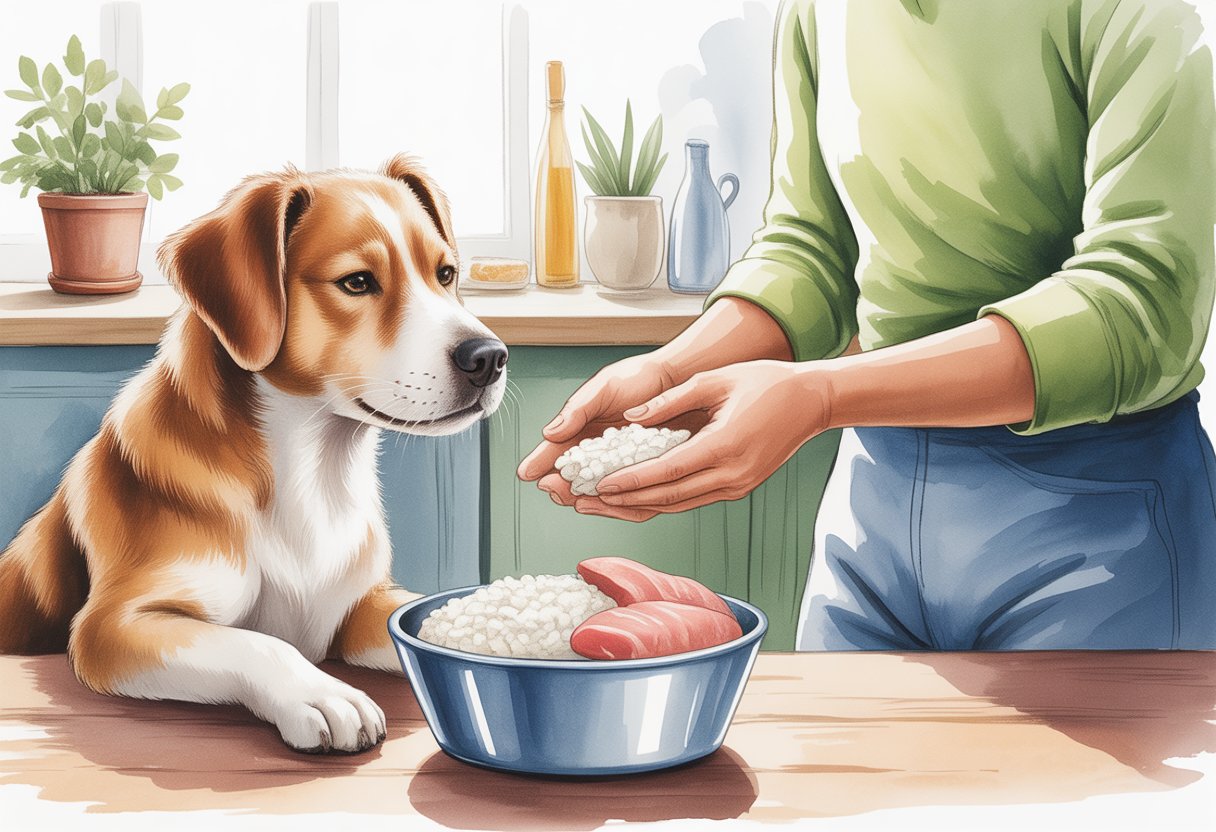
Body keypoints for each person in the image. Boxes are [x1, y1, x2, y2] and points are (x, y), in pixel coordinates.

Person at [518, 0, 1216, 650]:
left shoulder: (1142, 12)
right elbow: (812, 249)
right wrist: (671, 373)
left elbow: (1140, 302)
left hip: (1100, 520)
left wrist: (823, 396)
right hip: (872, 517)